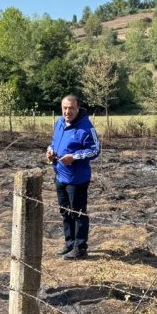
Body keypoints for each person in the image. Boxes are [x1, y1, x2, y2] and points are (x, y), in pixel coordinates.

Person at [46, 94, 101, 259]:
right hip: (60, 175)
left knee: (78, 213)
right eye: (64, 108)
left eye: (71, 108)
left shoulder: (85, 127)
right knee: (65, 212)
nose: (67, 111)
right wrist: (49, 150)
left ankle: (80, 248)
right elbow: (54, 142)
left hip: (77, 179)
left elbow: (95, 150)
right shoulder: (59, 123)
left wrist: (74, 157)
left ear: (77, 108)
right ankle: (69, 244)